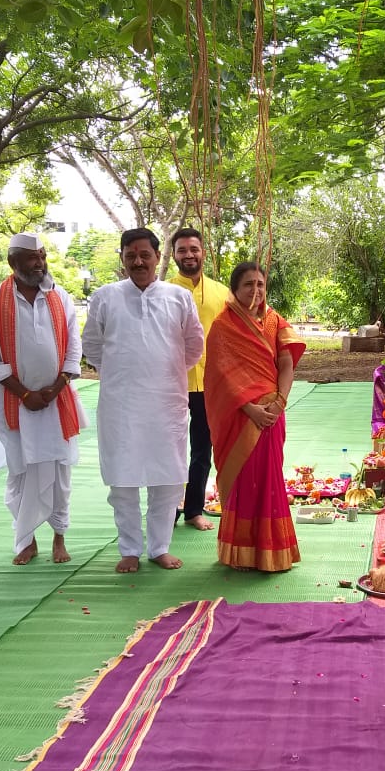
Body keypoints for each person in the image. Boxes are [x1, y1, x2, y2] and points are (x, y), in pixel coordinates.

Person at [82, 227, 204, 573]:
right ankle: (130, 549)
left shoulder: (178, 297)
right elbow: (91, 345)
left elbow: (194, 344)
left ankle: (159, 548)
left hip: (166, 402)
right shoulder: (105, 297)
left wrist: (164, 371)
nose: (138, 261)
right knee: (123, 480)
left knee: (166, 479)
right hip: (120, 405)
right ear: (122, 258)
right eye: (130, 255)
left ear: (156, 258)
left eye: (144, 255)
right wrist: (124, 373)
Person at [0, 233, 86, 565]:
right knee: (20, 472)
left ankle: (59, 537)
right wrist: (23, 393)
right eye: (31, 258)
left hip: (57, 400)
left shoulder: (60, 296)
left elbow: (74, 347)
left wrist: (56, 387)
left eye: (41, 256)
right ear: (13, 262)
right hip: (15, 402)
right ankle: (25, 539)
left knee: (60, 472)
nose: (39, 263)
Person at [205, 261, 305, 572]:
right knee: (244, 480)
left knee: (270, 478)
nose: (256, 290)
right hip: (242, 415)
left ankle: (272, 551)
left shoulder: (275, 321)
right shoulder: (223, 326)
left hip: (273, 413)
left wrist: (279, 403)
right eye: (249, 284)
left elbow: (286, 364)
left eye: (260, 284)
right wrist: (250, 408)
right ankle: (241, 553)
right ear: (235, 289)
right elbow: (221, 376)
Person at [167, 227, 228, 531]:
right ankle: (166, 510)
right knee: (169, 447)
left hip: (210, 383)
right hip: (170, 383)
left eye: (194, 249)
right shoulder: (161, 291)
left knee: (202, 448)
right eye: (182, 250)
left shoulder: (221, 293)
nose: (188, 255)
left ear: (204, 251)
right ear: (174, 254)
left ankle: (193, 509)